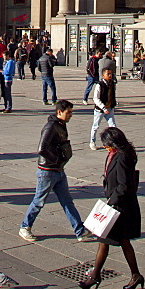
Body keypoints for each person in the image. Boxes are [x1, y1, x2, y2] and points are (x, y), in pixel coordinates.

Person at [19, 100, 92, 243]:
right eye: (68, 112)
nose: (71, 115)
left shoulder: (60, 125)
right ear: (59, 112)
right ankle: (25, 226)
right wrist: (56, 159)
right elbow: (42, 148)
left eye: (71, 112)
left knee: (67, 201)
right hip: (47, 171)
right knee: (39, 201)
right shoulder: (51, 127)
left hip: (58, 170)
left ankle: (80, 230)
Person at [79, 127, 143, 289]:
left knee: (106, 240)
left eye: (107, 144)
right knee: (117, 241)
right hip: (120, 205)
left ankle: (95, 277)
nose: (105, 147)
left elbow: (123, 185)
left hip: (120, 207)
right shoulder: (119, 154)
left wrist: (111, 202)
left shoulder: (121, 157)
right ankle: (134, 275)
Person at [90, 67, 117, 149]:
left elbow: (112, 95)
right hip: (100, 110)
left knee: (113, 126)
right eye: (108, 74)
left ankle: (113, 142)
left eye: (111, 74)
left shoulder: (112, 83)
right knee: (96, 126)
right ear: (103, 75)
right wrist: (103, 107)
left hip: (110, 108)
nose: (110, 75)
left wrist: (113, 104)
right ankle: (92, 141)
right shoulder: (99, 85)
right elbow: (95, 98)